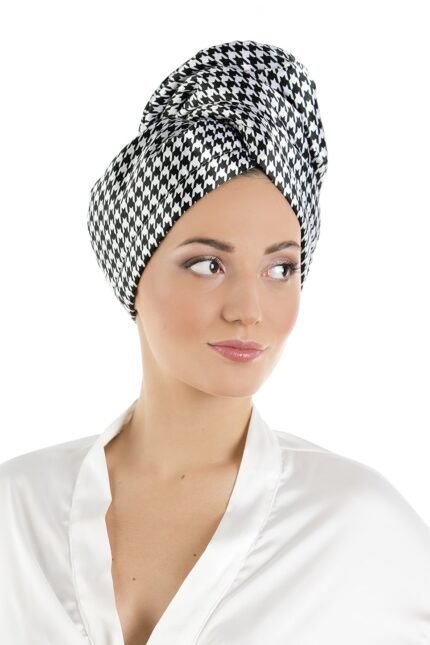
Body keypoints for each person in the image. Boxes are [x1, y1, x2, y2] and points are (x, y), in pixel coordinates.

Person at [1, 40, 429, 645]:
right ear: (133, 273)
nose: (248, 310)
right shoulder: (16, 513)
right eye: (208, 265)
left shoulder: (357, 527)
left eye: (280, 268)